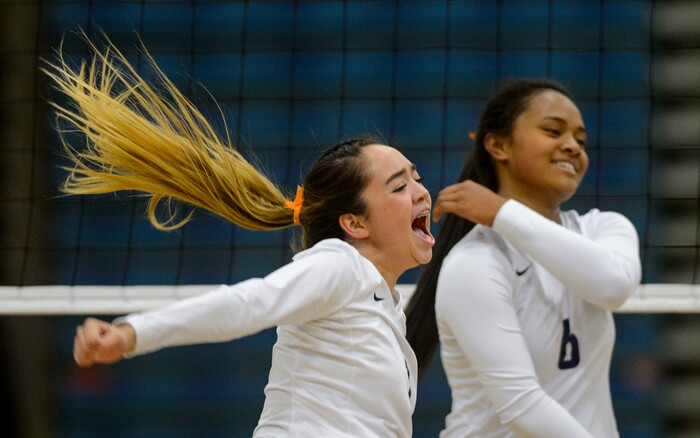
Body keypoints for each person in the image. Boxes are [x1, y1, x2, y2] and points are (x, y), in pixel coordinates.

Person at [45, 36, 435, 437]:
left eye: (417, 178)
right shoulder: (339, 266)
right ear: (354, 223)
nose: (422, 191)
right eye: (399, 186)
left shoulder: (382, 304)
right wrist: (132, 334)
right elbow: (248, 303)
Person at [406, 78, 641, 437]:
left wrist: (503, 212)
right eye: (553, 131)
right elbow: (522, 407)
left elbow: (614, 286)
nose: (572, 147)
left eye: (581, 140)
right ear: (498, 145)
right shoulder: (474, 262)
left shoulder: (604, 228)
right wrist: (503, 216)